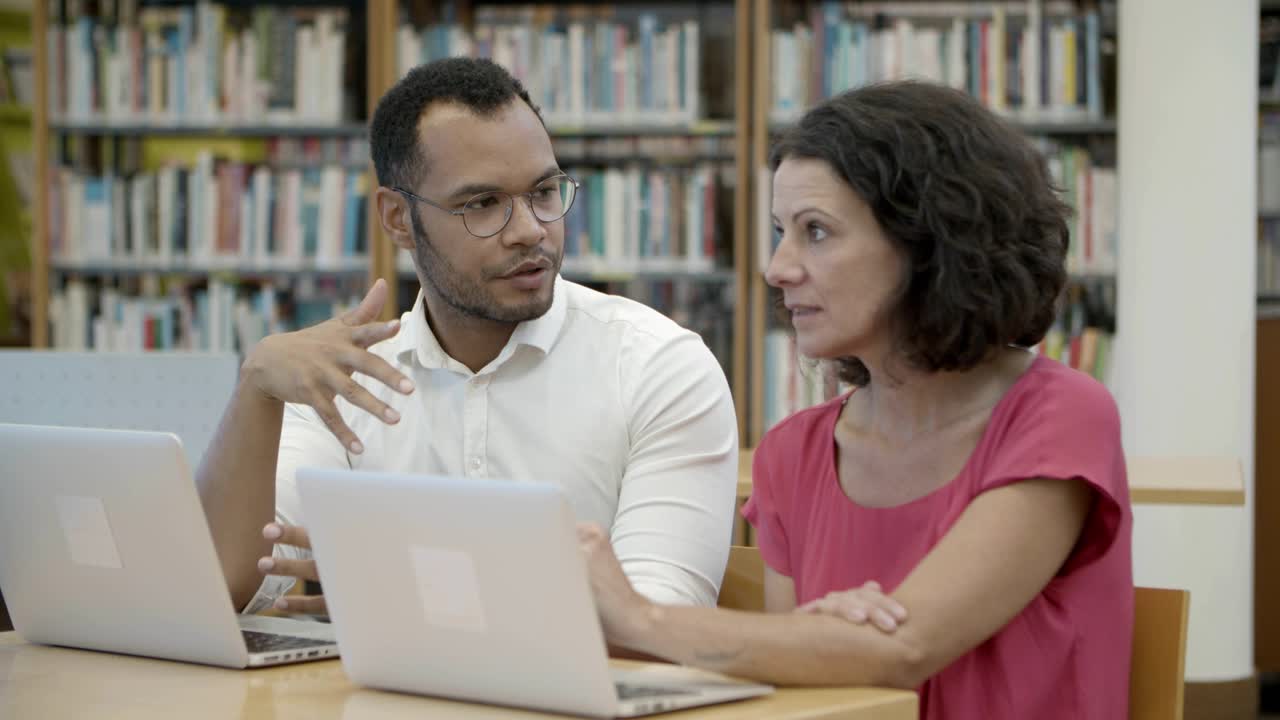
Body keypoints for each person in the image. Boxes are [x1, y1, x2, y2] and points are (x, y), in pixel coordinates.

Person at [578, 80, 1133, 719]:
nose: (777, 268)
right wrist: (820, 641)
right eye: (782, 230)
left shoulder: (1061, 416)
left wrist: (637, 615)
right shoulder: (794, 453)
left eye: (817, 232)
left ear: (929, 245)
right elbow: (801, 692)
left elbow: (905, 648)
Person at [195, 58, 739, 617]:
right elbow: (227, 591)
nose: (530, 229)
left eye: (544, 192)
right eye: (483, 204)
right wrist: (255, 389)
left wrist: (412, 598)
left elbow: (660, 623)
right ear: (398, 218)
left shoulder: (659, 367)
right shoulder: (345, 377)